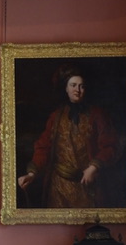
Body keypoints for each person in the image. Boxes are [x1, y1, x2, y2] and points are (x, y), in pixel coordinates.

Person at [17, 65, 120, 210]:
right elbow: (43, 147)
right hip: (59, 187)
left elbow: (110, 145)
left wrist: (93, 167)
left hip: (87, 184)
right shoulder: (56, 116)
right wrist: (32, 174)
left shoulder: (98, 115)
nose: (77, 90)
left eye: (81, 86)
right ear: (65, 88)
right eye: (73, 85)